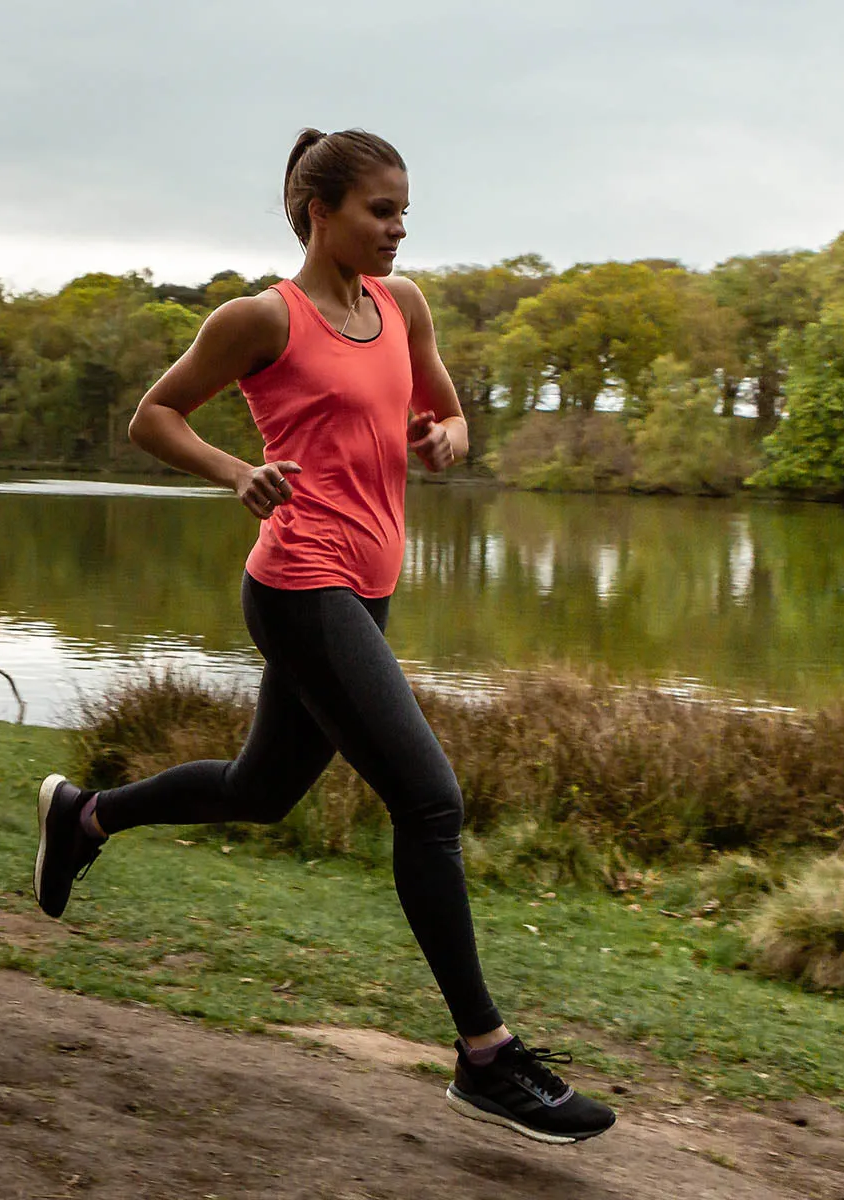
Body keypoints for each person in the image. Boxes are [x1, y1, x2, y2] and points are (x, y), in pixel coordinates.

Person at [33, 128, 615, 1146]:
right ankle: (486, 1056)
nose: (398, 228)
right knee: (431, 802)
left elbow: (446, 411)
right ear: (319, 209)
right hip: (301, 583)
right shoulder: (262, 318)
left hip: (371, 584)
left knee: (261, 793)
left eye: (404, 210)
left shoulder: (404, 305)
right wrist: (234, 472)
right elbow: (153, 417)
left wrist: (449, 436)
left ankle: (85, 818)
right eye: (379, 210)